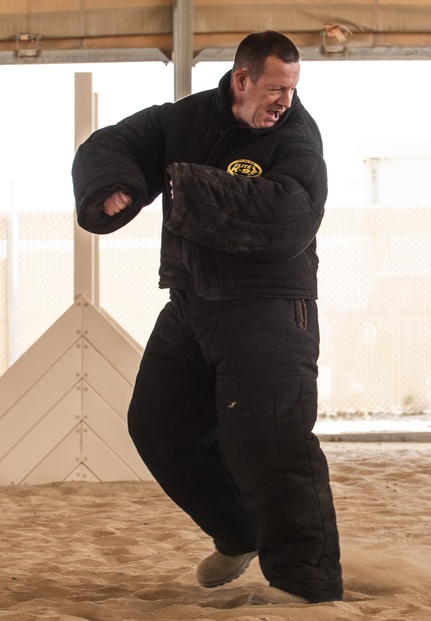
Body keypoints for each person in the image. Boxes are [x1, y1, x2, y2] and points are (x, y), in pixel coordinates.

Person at [72, 31, 342, 605]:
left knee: (273, 445)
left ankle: (308, 586)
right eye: (275, 88)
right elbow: (113, 143)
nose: (285, 102)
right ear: (241, 80)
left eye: (292, 90)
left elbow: (290, 212)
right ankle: (240, 530)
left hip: (268, 307)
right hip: (191, 303)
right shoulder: (187, 119)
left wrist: (183, 185)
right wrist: (115, 187)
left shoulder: (299, 137)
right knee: (159, 428)